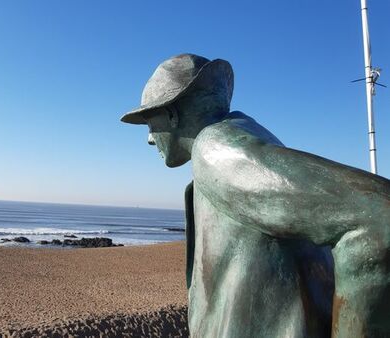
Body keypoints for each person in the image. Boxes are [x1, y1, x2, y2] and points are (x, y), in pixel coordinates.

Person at [121, 54, 390, 338]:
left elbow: (376, 216)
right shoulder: (244, 137)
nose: (150, 138)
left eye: (150, 122)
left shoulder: (217, 150)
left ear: (172, 115)